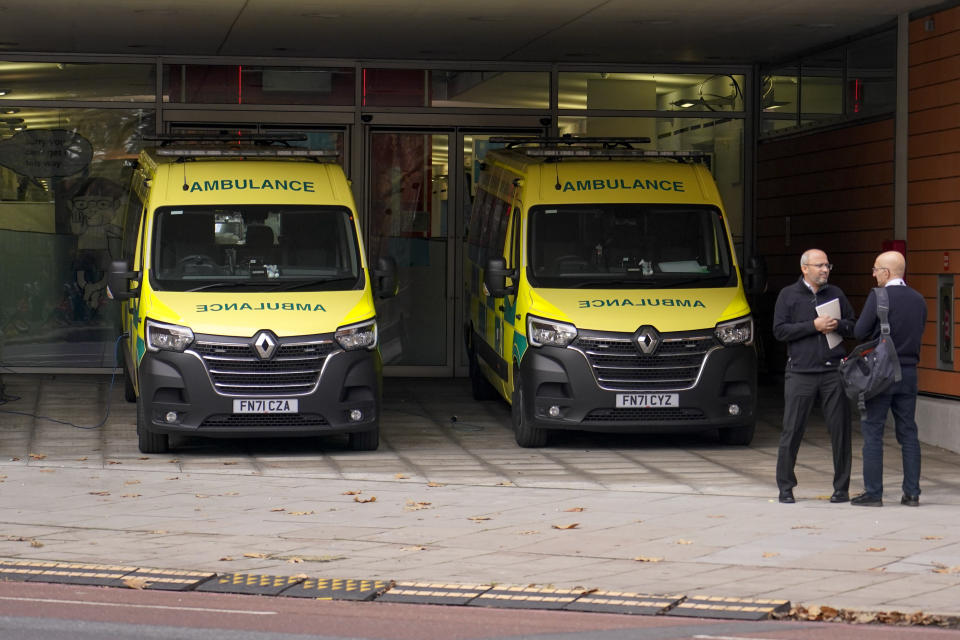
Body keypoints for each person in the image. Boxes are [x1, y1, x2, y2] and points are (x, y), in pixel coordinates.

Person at [773, 249, 857, 504]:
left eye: (827, 265)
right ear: (804, 268)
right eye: (819, 265)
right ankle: (786, 487)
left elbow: (854, 325)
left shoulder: (836, 293)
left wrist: (838, 325)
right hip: (800, 371)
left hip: (833, 371)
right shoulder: (788, 295)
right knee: (792, 430)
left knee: (841, 431)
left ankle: (841, 488)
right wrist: (813, 326)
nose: (825, 270)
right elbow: (779, 331)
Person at [851, 251, 927, 507]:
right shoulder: (919, 300)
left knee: (873, 431)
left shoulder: (878, 296)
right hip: (909, 373)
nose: (873, 274)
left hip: (881, 373)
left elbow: (860, 331)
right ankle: (912, 493)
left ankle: (873, 493)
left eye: (875, 269)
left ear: (886, 272)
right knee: (908, 432)